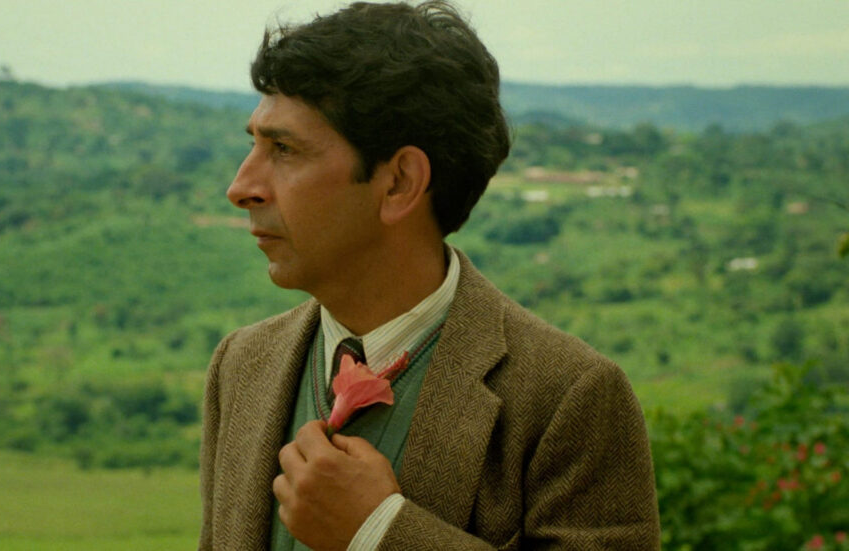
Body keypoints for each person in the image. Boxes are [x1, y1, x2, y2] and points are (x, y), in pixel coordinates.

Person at [199, 2, 660, 549]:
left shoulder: (567, 398)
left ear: (399, 183)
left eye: (283, 149)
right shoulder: (243, 366)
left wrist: (379, 532)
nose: (241, 187)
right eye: (253, 144)